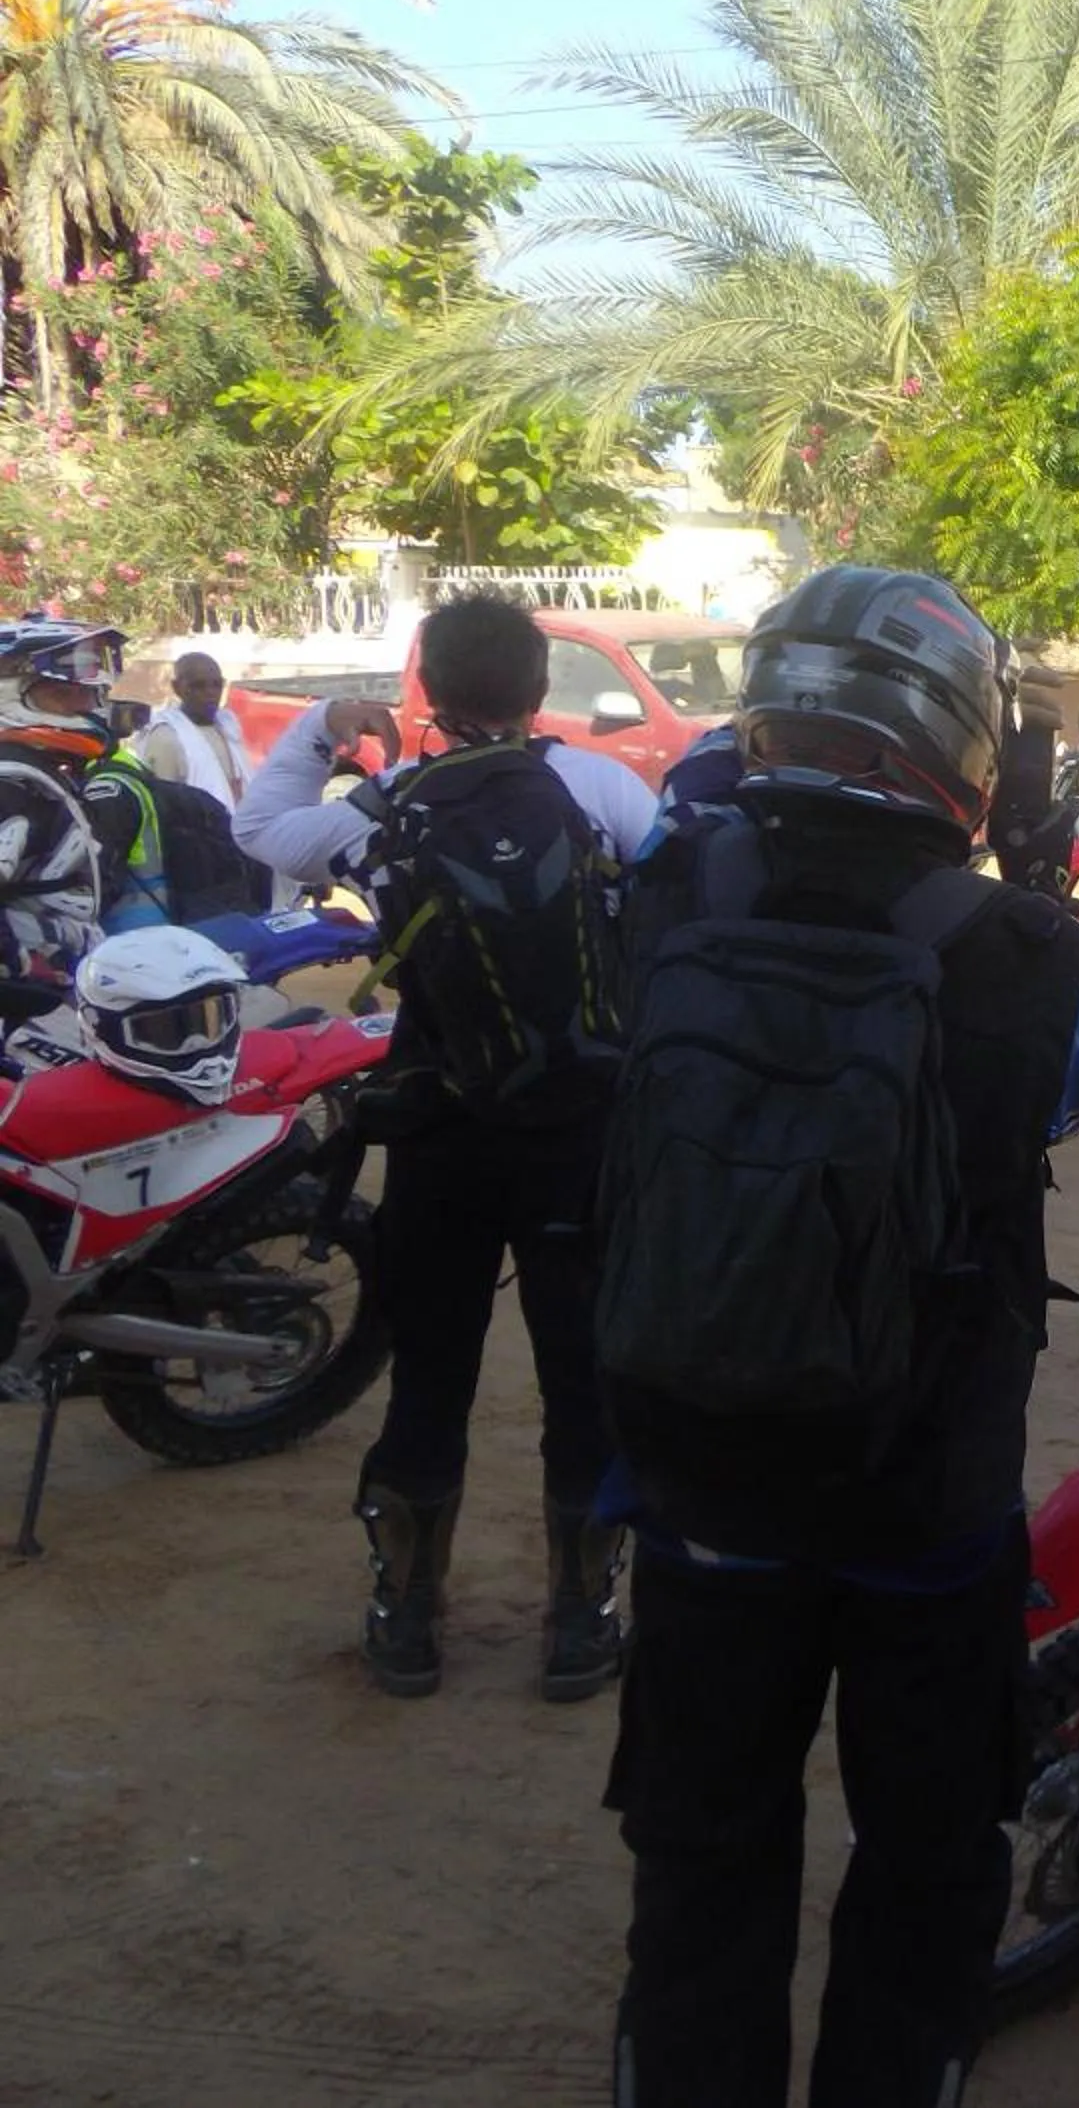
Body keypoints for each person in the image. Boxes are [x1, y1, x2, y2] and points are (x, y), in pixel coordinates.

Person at [599, 566, 1079, 2108]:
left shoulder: (666, 892)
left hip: (703, 1482)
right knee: (924, 1855)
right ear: (960, 737)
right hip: (925, 1496)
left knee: (703, 1853)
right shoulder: (1022, 948)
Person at [233, 592, 660, 1703]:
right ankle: (581, 1620)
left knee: (431, 1375)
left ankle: (407, 1617)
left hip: (438, 1130)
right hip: (579, 1134)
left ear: (429, 690)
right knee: (582, 1377)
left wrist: (329, 722)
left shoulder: (379, 805)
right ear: (537, 690)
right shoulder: (599, 786)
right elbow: (664, 901)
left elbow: (258, 827)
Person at [0, 620, 125, 982]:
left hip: (70, 976)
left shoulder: (44, 769)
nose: (85, 703)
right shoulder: (11, 779)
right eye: (63, 693)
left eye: (86, 692)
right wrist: (19, 965)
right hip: (29, 1000)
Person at [135, 653, 253, 811]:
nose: (210, 692)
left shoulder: (228, 726)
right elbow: (164, 805)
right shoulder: (166, 737)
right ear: (177, 688)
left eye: (217, 684)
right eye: (198, 686)